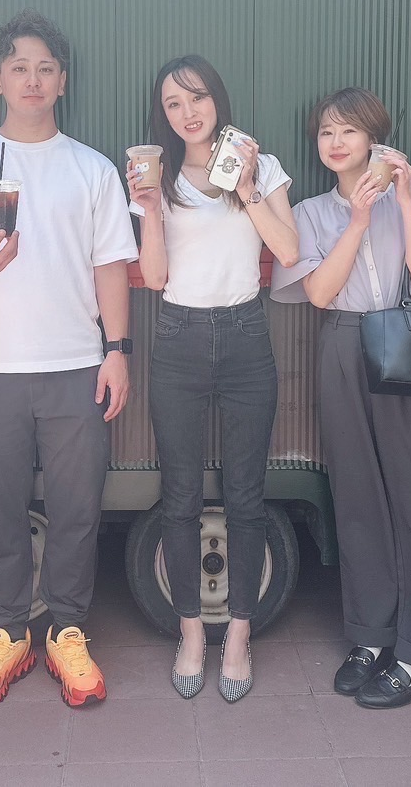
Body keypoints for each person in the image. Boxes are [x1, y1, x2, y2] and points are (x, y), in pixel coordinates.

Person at [0, 9, 137, 709]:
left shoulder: (91, 168)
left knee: (77, 512)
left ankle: (68, 632)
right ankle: (7, 635)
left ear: (62, 81)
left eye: (46, 68)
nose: (32, 79)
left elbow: (111, 265)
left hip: (76, 365)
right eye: (18, 67)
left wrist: (116, 352)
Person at [272, 87, 411, 710]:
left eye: (349, 130)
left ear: (375, 138)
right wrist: (356, 220)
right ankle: (371, 636)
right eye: (326, 132)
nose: (336, 142)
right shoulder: (310, 212)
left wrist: (402, 200)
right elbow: (320, 294)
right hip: (345, 339)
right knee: (356, 495)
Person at [127, 56, 299, 703]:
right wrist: (149, 209)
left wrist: (247, 187)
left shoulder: (259, 164)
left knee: (246, 496)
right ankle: (192, 634)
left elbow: (288, 252)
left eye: (196, 97)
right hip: (178, 337)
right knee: (179, 496)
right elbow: (153, 277)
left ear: (217, 99)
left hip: (247, 335)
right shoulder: (158, 175)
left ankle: (239, 636)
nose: (187, 112)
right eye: (172, 104)